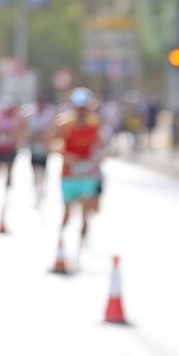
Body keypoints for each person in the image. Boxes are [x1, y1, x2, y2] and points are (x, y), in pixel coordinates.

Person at [53, 88, 105, 270]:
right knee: (67, 213)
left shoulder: (95, 124)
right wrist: (64, 153)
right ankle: (60, 244)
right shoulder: (65, 124)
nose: (82, 110)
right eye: (78, 107)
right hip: (68, 175)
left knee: (85, 213)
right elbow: (51, 142)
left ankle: (79, 251)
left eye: (85, 107)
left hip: (88, 175)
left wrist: (98, 157)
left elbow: (102, 146)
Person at [25, 93, 56, 205]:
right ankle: (36, 186)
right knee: (34, 166)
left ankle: (42, 186)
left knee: (43, 167)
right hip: (33, 144)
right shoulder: (29, 112)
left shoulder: (50, 112)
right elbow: (24, 127)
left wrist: (47, 137)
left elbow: (54, 127)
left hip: (45, 144)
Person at [0, 98, 23, 192]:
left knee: (10, 166)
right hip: (1, 147)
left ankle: (8, 183)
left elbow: (19, 131)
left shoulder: (16, 118)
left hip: (11, 147)